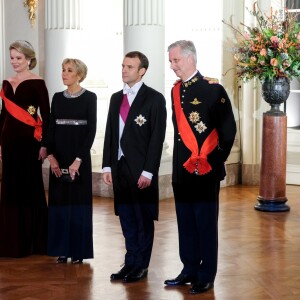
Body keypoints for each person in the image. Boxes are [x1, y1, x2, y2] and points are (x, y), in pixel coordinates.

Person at [164, 40, 236, 294]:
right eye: (170, 61)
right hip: (182, 170)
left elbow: (228, 132)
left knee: (205, 223)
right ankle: (189, 269)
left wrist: (213, 161)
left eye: (176, 60)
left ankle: (206, 274)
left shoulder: (213, 90)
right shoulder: (175, 91)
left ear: (191, 59)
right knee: (185, 222)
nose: (172, 66)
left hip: (205, 170)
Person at [102, 51, 167, 282]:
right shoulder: (115, 98)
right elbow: (111, 133)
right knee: (126, 217)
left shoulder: (154, 98)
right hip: (119, 168)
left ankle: (142, 265)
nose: (124, 70)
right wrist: (107, 166)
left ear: (142, 71)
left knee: (142, 218)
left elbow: (156, 138)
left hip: (141, 170)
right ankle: (130, 262)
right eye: (122, 66)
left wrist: (149, 170)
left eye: (129, 67)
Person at [0, 40, 50, 258]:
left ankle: (33, 242)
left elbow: (46, 117)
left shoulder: (38, 83)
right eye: (12, 57)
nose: (14, 62)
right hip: (9, 142)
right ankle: (11, 242)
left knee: (29, 186)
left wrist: (45, 145)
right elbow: (3, 116)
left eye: (19, 58)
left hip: (30, 144)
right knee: (10, 188)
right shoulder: (6, 82)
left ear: (29, 60)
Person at [47, 58, 97, 264]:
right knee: (59, 204)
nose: (64, 74)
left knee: (78, 204)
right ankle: (61, 249)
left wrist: (78, 160)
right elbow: (51, 128)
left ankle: (78, 250)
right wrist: (51, 157)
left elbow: (91, 130)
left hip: (79, 158)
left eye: (69, 70)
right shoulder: (57, 98)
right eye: (63, 70)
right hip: (58, 157)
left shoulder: (90, 97)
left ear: (79, 75)